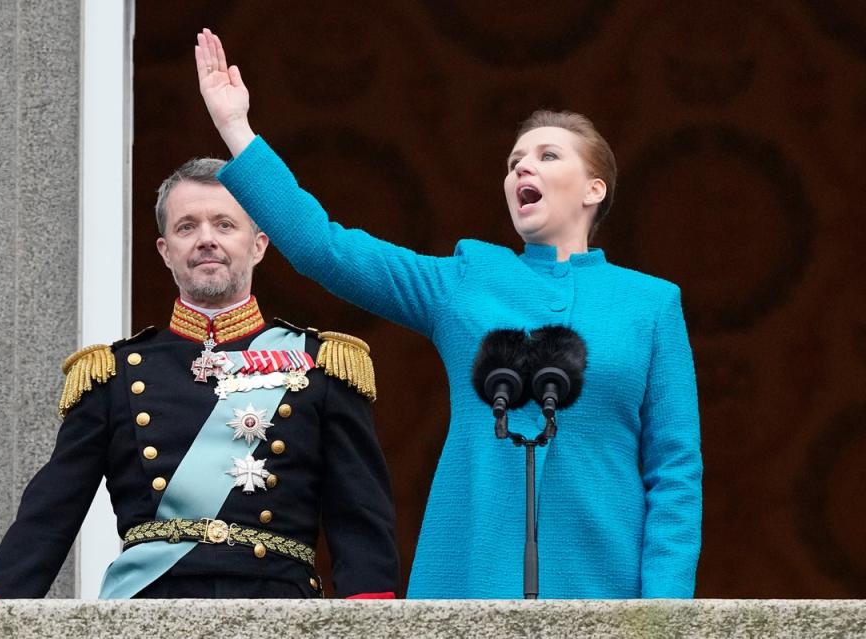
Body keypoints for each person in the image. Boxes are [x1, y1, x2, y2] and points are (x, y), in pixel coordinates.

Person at [192, 28, 702, 599]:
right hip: (473, 578)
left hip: (606, 583)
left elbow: (674, 473)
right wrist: (237, 128)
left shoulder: (651, 304)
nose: (520, 170)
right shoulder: (466, 280)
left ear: (593, 189)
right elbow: (324, 249)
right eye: (513, 163)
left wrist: (665, 613)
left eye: (546, 155)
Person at [0, 157, 400, 599]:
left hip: (276, 607)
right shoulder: (114, 373)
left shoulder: (321, 364)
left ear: (258, 245)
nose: (206, 240)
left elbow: (359, 518)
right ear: (165, 251)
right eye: (187, 227)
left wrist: (370, 614)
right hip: (148, 607)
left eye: (224, 225)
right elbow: (50, 511)